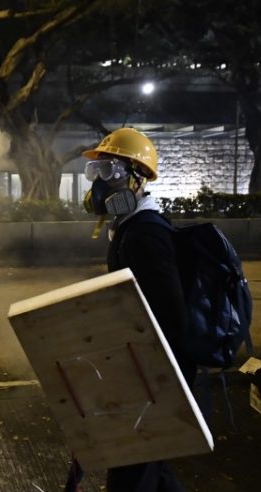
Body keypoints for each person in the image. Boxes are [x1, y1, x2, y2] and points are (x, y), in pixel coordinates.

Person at [81, 127, 195, 492]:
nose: (100, 185)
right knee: (153, 474)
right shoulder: (130, 228)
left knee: (131, 471)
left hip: (152, 379)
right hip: (143, 374)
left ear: (138, 180)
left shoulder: (146, 234)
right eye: (96, 174)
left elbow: (171, 319)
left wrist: (158, 388)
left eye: (111, 172)